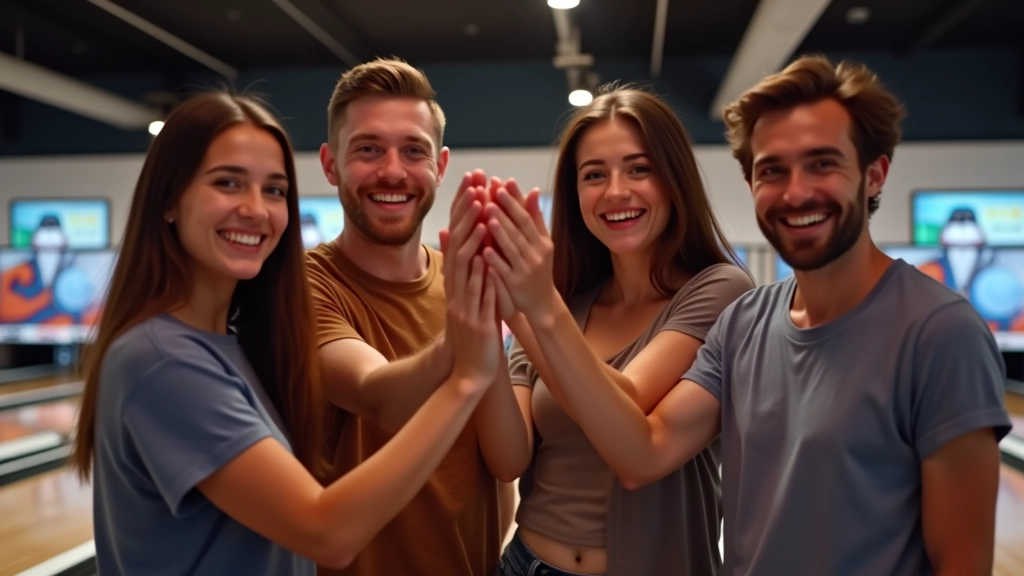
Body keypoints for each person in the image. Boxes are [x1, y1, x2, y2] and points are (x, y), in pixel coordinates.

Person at [497, 55, 1014, 575]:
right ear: (750, 185)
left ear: (874, 174)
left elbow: (962, 562)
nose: (795, 192)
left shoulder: (942, 332)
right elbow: (642, 453)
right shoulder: (745, 323)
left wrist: (537, 311)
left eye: (822, 163)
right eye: (773, 170)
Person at [69, 91, 503, 575]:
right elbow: (327, 532)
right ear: (169, 200)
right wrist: (465, 378)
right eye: (228, 183)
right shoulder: (162, 359)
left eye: (274, 190)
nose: (256, 209)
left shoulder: (227, 343)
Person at [479, 86, 755, 575]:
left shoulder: (718, 289)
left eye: (638, 168)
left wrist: (535, 313)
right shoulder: (563, 301)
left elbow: (626, 408)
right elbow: (508, 459)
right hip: (527, 564)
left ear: (673, 179)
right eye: (593, 175)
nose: (615, 191)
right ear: (575, 195)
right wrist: (487, 320)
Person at [306, 58, 522, 576]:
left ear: (441, 165)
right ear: (331, 163)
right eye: (367, 149)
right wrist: (466, 341)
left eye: (413, 150)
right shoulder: (301, 285)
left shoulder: (464, 280)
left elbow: (505, 464)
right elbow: (379, 395)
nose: (393, 170)